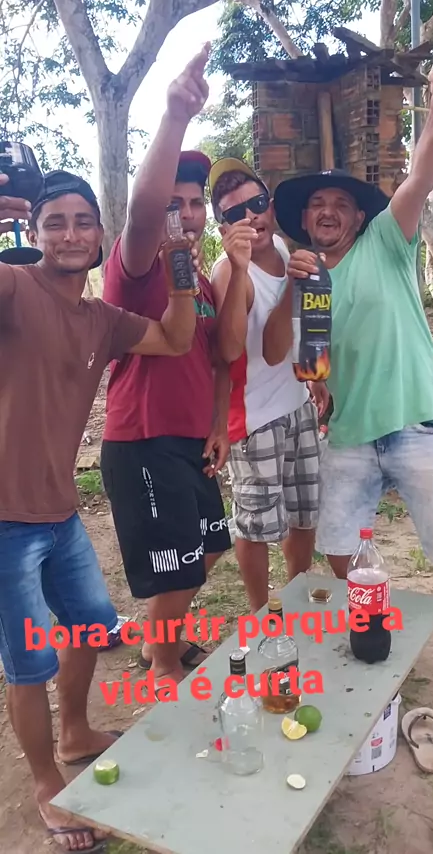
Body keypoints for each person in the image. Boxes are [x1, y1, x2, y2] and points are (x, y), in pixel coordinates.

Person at [0, 165, 197, 851]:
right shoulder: (14, 286)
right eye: (54, 222)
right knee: (29, 662)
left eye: (83, 222)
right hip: (4, 519)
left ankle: (77, 732)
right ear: (33, 232)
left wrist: (180, 272)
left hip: (59, 510)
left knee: (87, 626)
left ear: (100, 233)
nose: (71, 234)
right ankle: (45, 783)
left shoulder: (101, 319)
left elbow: (175, 339)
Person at [269, 58, 433, 696]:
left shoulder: (387, 239)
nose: (329, 211)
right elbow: (299, 357)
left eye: (341, 204)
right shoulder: (305, 277)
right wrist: (314, 372)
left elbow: (421, 175)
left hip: (418, 420)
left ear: (359, 219)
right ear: (306, 221)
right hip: (350, 433)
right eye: (318, 205)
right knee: (338, 545)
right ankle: (371, 627)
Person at [101, 45, 231, 687]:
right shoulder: (135, 269)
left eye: (195, 201)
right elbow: (143, 212)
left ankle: (162, 644)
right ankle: (162, 667)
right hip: (144, 441)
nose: (185, 211)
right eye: (174, 201)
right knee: (176, 566)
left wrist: (218, 425)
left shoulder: (199, 283)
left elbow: (215, 360)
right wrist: (177, 113)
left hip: (190, 440)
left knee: (207, 551)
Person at [208, 158, 329, 613]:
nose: (250, 217)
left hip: (297, 403)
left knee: (303, 513)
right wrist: (245, 271)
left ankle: (297, 596)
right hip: (254, 417)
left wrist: (315, 377)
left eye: (257, 203)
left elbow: (300, 329)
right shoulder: (227, 273)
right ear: (223, 226)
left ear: (271, 206)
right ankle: (262, 612)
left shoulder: (280, 245)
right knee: (255, 525)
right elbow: (239, 350)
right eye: (234, 213)